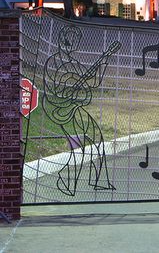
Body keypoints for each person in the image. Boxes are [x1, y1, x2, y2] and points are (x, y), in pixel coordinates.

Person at [43, 25, 120, 196]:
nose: (71, 43)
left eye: (74, 41)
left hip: (75, 108)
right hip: (63, 110)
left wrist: (104, 62)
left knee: (98, 141)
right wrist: (68, 88)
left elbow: (91, 84)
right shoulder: (54, 61)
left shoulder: (74, 63)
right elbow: (53, 90)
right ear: (63, 40)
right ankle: (69, 183)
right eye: (69, 39)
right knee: (78, 148)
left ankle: (99, 181)